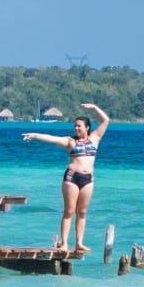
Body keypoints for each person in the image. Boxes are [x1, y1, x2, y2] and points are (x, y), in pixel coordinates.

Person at [22, 103, 109, 251]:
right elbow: (51, 138)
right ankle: (64, 243)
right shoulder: (70, 141)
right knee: (69, 211)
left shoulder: (95, 138)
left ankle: (79, 242)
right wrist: (35, 135)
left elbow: (105, 120)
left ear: (87, 127)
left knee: (82, 212)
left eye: (79, 126)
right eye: (75, 126)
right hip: (72, 178)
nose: (76, 128)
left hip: (88, 180)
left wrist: (94, 108)